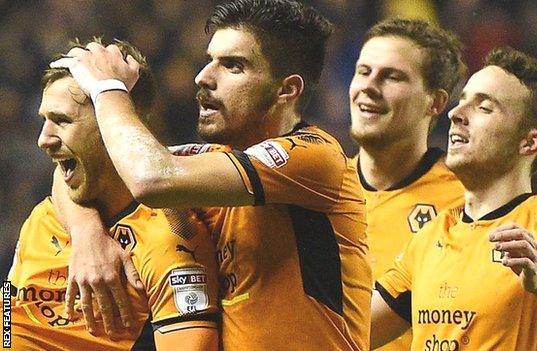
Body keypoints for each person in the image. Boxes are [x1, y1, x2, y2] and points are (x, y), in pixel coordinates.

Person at [51, 1, 371, 350]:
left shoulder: (312, 157)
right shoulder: (217, 166)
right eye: (210, 60)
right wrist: (87, 237)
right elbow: (81, 167)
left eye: (233, 65)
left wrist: (108, 89)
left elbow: (150, 178)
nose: (203, 76)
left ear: (286, 90)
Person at [371, 47, 537, 350]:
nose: (455, 114)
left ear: (529, 142)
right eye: (462, 100)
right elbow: (349, 333)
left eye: (484, 107)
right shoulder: (432, 235)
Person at [6, 39, 220, 350]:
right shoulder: (46, 215)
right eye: (44, 120)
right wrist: (86, 233)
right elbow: (7, 315)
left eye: (62, 121)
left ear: (112, 123)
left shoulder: (172, 242)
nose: (43, 139)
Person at [349, 18, 466, 350]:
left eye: (392, 76)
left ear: (436, 103)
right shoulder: (318, 191)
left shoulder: (467, 202)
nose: (368, 86)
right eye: (363, 71)